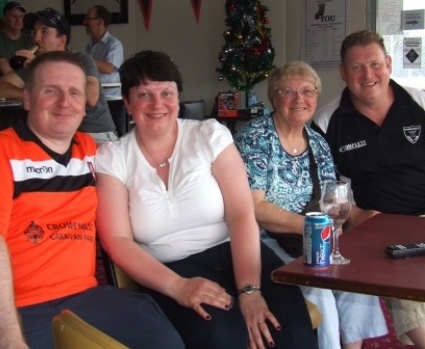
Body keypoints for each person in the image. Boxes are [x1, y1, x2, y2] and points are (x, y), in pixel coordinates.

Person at [95, 50, 318, 349]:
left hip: (237, 251)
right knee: (224, 337)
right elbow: (117, 240)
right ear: (127, 103)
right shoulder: (113, 157)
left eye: (166, 93)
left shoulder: (208, 135)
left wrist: (250, 291)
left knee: (290, 330)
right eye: (144, 94)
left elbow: (241, 213)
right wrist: (178, 287)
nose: (158, 103)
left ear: (178, 96)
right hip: (170, 268)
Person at [0, 51, 185, 349]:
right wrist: (7, 337)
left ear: (85, 105)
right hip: (20, 305)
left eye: (74, 93)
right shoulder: (0, 151)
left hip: (89, 296)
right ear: (28, 99)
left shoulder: (95, 152)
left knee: (166, 342)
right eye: (51, 91)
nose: (64, 102)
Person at [235, 61, 388, 349]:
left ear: (316, 96)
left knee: (355, 280)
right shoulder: (255, 137)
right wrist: (310, 226)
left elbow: (332, 198)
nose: (298, 99)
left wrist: (361, 215)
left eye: (307, 91)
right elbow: (254, 207)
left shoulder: (317, 142)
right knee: (321, 293)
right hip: (261, 241)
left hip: (309, 238)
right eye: (288, 91)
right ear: (273, 97)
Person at [312, 29, 425, 348]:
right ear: (343, 73)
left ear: (389, 64)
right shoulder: (327, 121)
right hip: (374, 228)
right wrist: (357, 214)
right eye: (357, 67)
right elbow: (323, 188)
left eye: (375, 64)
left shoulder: (419, 103)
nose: (368, 74)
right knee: (409, 283)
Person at [0, 7, 117, 144]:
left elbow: (91, 96)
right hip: (57, 139)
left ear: (62, 41)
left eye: (44, 32)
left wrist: (48, 72)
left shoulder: (81, 59)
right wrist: (31, 94)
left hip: (96, 136)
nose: (36, 38)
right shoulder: (36, 65)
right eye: (34, 32)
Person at [84, 5, 123, 97]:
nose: (84, 22)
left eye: (89, 19)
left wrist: (84, 59)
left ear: (100, 22)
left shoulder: (114, 44)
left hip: (110, 97)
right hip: (93, 94)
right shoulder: (90, 45)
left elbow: (108, 68)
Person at [0, 1, 32, 81]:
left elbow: (37, 65)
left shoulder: (30, 39)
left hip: (25, 85)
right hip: (2, 87)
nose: (18, 19)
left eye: (20, 16)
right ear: (4, 18)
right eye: (13, 16)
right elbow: (5, 70)